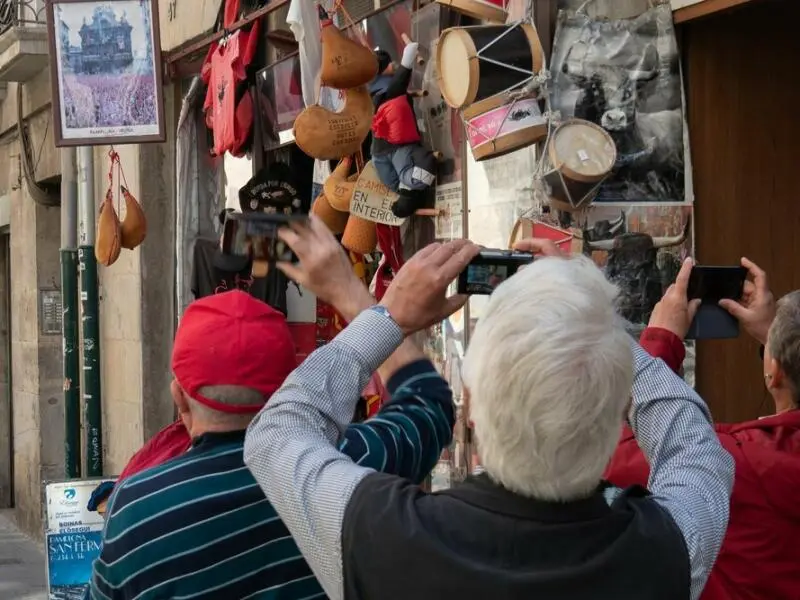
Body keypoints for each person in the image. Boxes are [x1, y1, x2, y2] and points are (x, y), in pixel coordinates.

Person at [244, 222, 734, 600]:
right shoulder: (668, 552)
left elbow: (276, 434)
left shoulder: (380, 538)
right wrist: (586, 320)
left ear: (470, 407)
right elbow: (693, 445)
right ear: (616, 420)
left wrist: (389, 316)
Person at [87, 287, 457, 600]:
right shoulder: (351, 458)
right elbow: (429, 408)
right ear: (292, 388)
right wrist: (357, 297)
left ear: (179, 398)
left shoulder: (137, 509)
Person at [606, 257, 800, 600]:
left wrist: (661, 341)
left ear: (774, 373)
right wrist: (781, 339)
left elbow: (619, 453)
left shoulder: (742, 463)